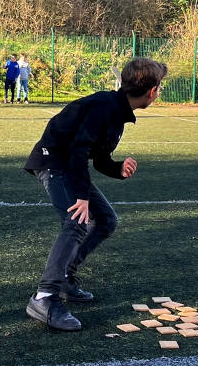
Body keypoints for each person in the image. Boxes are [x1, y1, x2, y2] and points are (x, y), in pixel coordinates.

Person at [23, 57, 167, 331]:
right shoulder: (106, 107)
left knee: (107, 220)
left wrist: (117, 168)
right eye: (159, 88)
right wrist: (82, 196)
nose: (158, 93)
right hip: (53, 163)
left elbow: (98, 159)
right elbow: (78, 149)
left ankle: (65, 276)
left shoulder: (117, 112)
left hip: (69, 166)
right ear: (151, 91)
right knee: (76, 221)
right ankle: (44, 297)